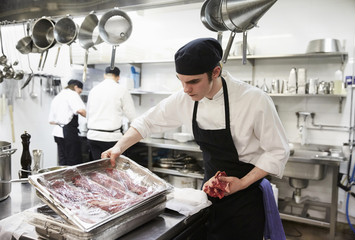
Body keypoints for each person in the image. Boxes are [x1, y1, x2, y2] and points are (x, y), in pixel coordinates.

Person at [101, 38, 289, 239]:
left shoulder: (253, 99)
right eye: (181, 81)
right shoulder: (187, 98)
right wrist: (119, 146)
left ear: (215, 72)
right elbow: (147, 122)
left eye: (193, 82)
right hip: (209, 192)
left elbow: (278, 150)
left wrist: (241, 183)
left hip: (245, 197)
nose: (186, 89)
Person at [86, 66, 136, 160]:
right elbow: (132, 117)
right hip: (111, 138)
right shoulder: (122, 90)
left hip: (93, 137)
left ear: (104, 75)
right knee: (112, 170)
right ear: (118, 77)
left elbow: (88, 114)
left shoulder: (93, 90)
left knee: (97, 169)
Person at [49, 79, 86, 166]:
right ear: (76, 87)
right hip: (68, 132)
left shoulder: (59, 96)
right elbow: (81, 110)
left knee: (62, 161)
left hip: (57, 132)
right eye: (80, 92)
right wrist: (91, 117)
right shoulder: (72, 94)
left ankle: (62, 179)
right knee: (73, 161)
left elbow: (51, 121)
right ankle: (72, 180)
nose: (79, 94)